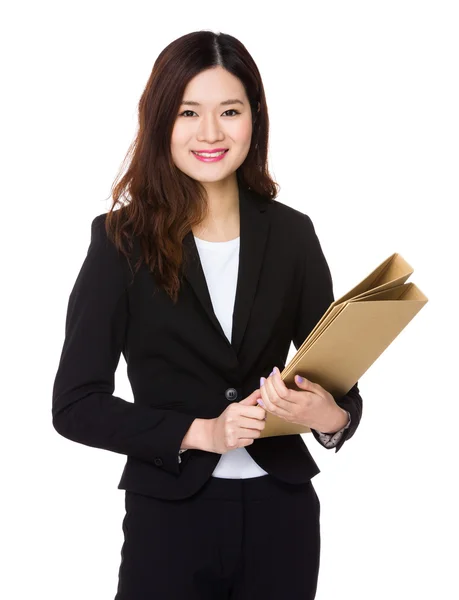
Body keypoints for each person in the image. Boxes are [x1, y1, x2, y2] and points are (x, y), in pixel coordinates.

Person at [52, 30, 363, 600]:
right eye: (189, 112)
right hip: (170, 515)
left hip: (283, 513)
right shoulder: (121, 240)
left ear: (255, 119)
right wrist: (201, 433)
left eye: (230, 111)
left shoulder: (293, 234)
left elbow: (341, 382)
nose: (211, 132)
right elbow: (75, 405)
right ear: (160, 120)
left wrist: (331, 417)